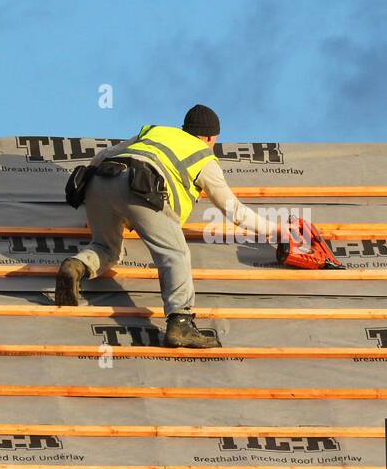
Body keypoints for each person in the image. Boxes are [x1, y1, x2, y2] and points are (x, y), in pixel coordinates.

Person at [56, 104, 283, 349]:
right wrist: (275, 230)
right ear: (210, 137)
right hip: (139, 187)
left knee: (106, 248)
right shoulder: (204, 156)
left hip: (99, 182)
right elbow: (234, 211)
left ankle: (76, 266)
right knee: (175, 254)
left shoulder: (156, 131)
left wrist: (91, 189)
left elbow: (104, 154)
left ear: (185, 128)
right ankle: (181, 322)